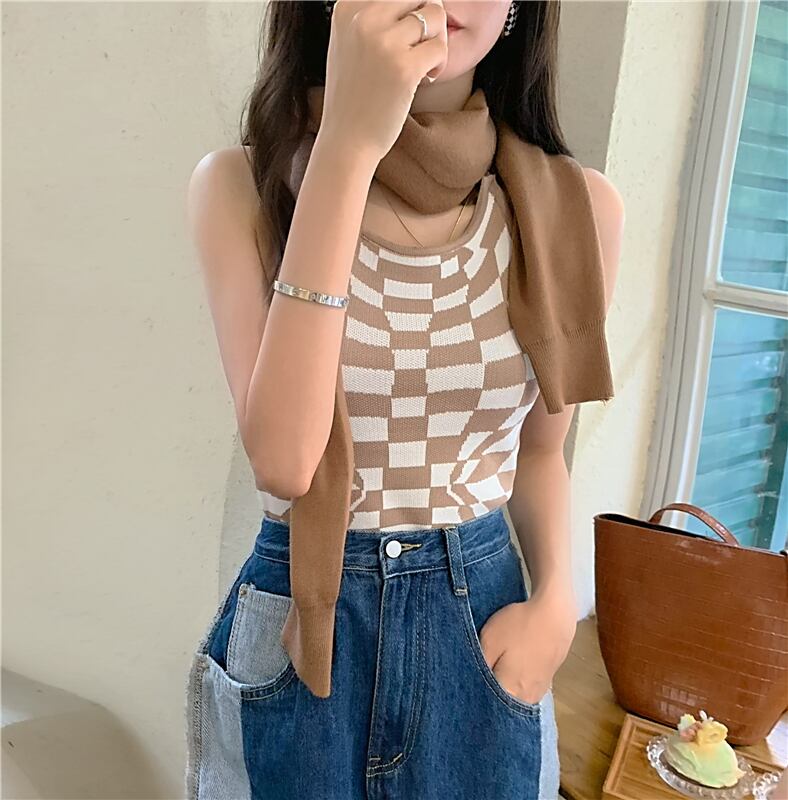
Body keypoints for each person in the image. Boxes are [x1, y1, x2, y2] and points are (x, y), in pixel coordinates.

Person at [184, 1, 625, 798]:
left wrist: (558, 602)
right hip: (303, 628)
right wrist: (348, 147)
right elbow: (284, 463)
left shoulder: (576, 208)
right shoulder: (242, 187)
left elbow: (540, 452)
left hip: (482, 626)